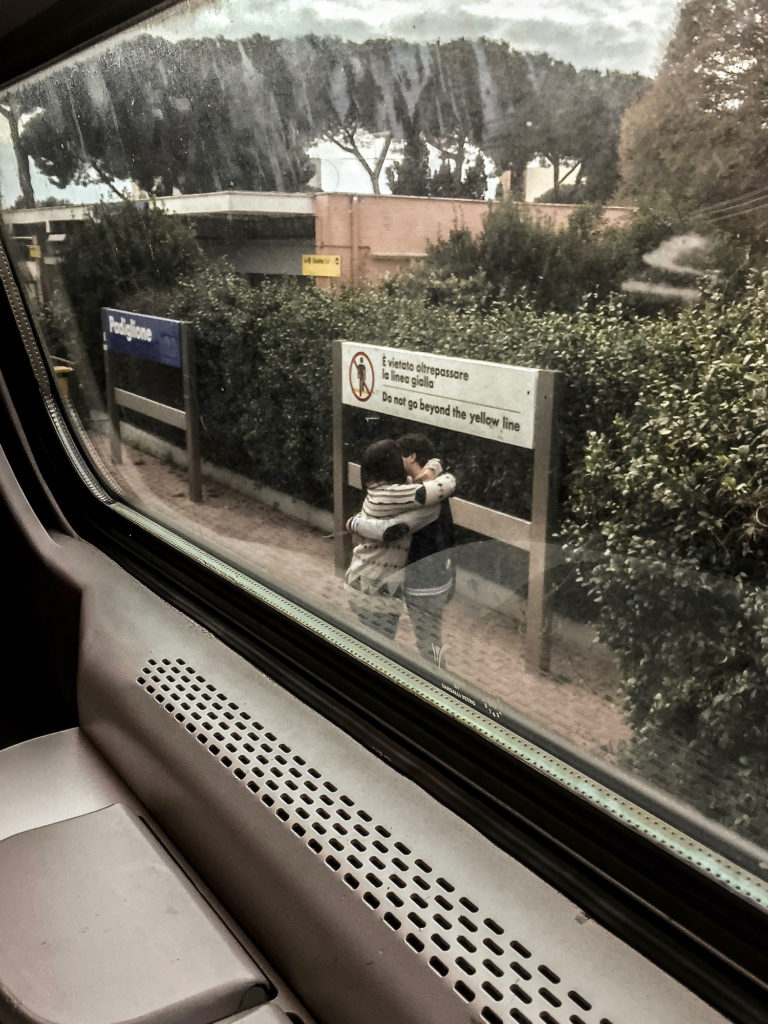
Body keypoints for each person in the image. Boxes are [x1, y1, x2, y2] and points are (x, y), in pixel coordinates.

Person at [347, 433, 456, 667]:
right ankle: (441, 680)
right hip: (384, 587)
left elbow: (393, 526)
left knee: (389, 645)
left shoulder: (396, 492)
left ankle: (441, 679)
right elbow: (441, 487)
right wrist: (434, 469)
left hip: (400, 583)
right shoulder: (403, 495)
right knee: (385, 650)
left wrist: (355, 523)